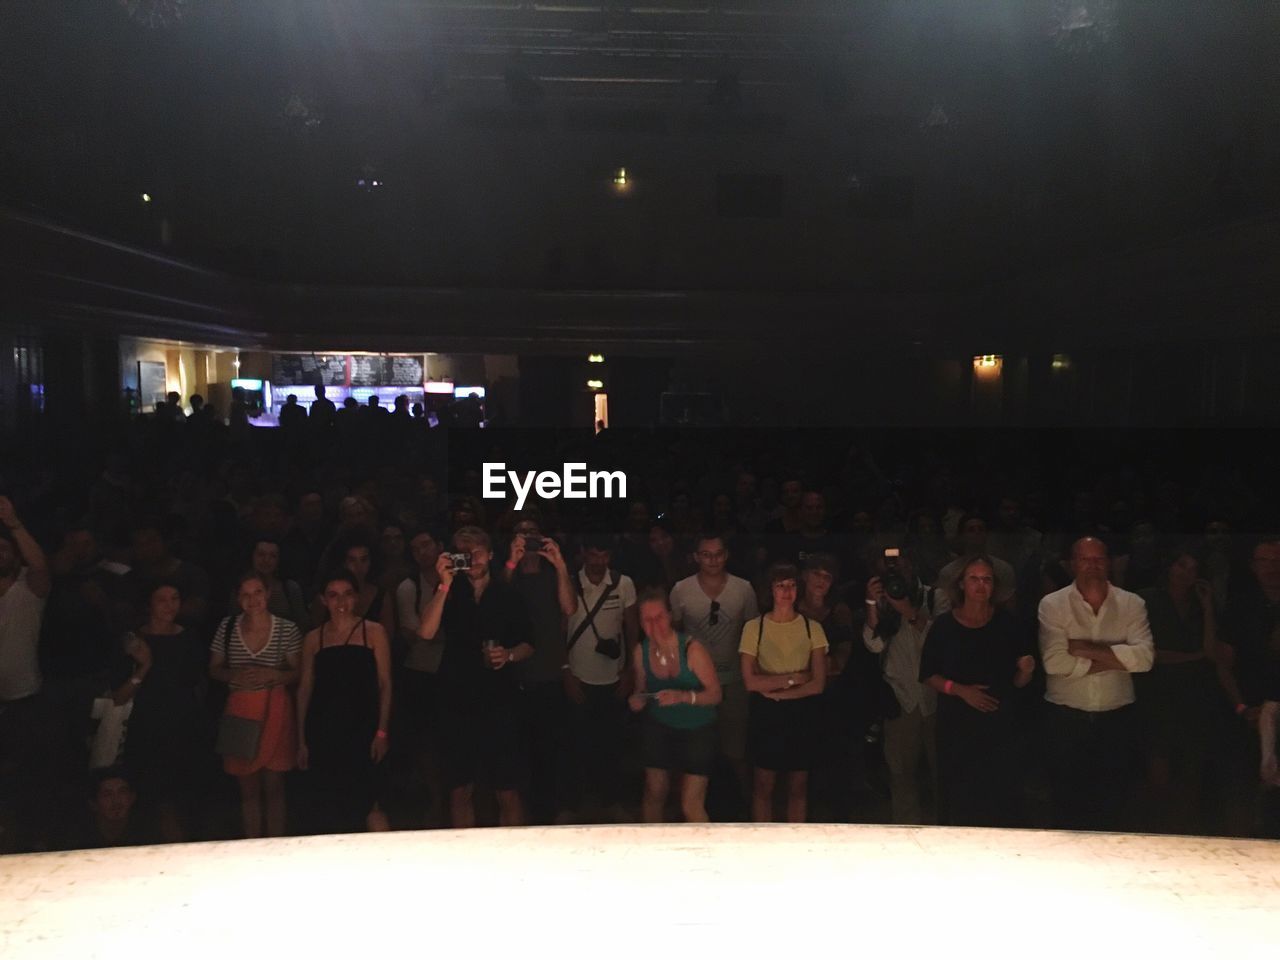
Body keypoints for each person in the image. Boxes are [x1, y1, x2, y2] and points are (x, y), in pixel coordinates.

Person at [418, 526, 534, 828]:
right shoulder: (450, 591)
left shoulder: (507, 593)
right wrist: (443, 584)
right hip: (457, 698)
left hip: (500, 699)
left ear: (491, 554)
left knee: (507, 789)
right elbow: (426, 631)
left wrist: (507, 655)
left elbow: (528, 644)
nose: (472, 558)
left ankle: (516, 854)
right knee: (460, 788)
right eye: (464, 553)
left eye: (478, 551)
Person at [1038, 537, 1155, 831]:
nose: (1092, 565)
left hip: (1117, 718)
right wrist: (1116, 656)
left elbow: (1144, 660)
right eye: (1085, 559)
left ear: (1109, 562)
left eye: (1098, 559)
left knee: (1114, 804)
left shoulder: (1132, 603)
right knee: (1066, 806)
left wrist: (1083, 648)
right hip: (1066, 717)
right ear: (1072, 564)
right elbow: (1054, 663)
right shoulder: (1053, 604)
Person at [920, 555, 1036, 827]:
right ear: (961, 583)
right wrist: (961, 691)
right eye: (974, 578)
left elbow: (1019, 683)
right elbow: (927, 675)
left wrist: (1026, 671)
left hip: (1001, 726)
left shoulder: (1009, 624)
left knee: (1002, 798)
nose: (980, 585)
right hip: (957, 727)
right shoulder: (944, 626)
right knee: (959, 798)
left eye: (987, 579)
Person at [112, 580, 212, 842]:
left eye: (175, 598)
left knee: (183, 797)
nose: (170, 605)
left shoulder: (189, 637)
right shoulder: (133, 640)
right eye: (162, 599)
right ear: (149, 604)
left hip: (184, 727)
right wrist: (144, 666)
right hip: (147, 728)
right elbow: (118, 697)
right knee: (151, 798)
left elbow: (197, 682)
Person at [296, 571, 393, 834]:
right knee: (329, 802)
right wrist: (302, 739)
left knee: (371, 801)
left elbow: (385, 684)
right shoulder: (314, 638)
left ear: (357, 597)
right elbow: (305, 688)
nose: (341, 601)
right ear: (323, 600)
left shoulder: (373, 631)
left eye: (348, 594)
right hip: (325, 730)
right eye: (333, 595)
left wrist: (382, 731)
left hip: (364, 728)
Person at [208, 572, 302, 838]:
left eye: (258, 592)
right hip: (240, 711)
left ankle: (275, 845)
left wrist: (274, 675)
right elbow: (214, 669)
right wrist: (233, 675)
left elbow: (297, 672)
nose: (253, 599)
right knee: (247, 788)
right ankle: (253, 845)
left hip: (276, 708)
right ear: (238, 598)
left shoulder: (286, 629)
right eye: (246, 594)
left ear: (268, 593)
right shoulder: (227, 627)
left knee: (274, 785)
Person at [669, 533, 759, 808]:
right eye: (706, 554)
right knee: (690, 750)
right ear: (696, 557)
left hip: (734, 679)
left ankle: (744, 806)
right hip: (694, 682)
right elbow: (673, 634)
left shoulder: (743, 589)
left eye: (718, 554)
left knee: (736, 749)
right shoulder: (681, 590)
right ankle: (684, 806)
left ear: (726, 555)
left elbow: (753, 632)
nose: (713, 560)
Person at [501, 516, 577, 824]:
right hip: (515, 672)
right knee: (519, 750)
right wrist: (511, 562)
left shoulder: (551, 573)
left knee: (550, 748)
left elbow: (570, 608)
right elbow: (498, 603)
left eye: (533, 533)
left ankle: (548, 812)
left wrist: (560, 565)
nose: (528, 539)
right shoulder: (509, 574)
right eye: (522, 534)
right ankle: (523, 815)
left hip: (548, 671)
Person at [739, 563, 828, 822]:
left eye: (791, 585)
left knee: (798, 786)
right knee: (763, 785)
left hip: (801, 713)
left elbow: (818, 683)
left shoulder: (813, 628)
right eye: (780, 585)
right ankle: (761, 840)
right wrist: (792, 679)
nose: (786, 591)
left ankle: (795, 841)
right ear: (771, 590)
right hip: (767, 714)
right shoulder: (755, 627)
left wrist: (779, 691)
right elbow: (750, 682)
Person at [561, 534, 639, 822]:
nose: (598, 562)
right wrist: (565, 671)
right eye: (593, 555)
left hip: (613, 678)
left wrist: (631, 670)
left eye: (603, 556)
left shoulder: (623, 583)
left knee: (612, 745)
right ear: (583, 553)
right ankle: (573, 804)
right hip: (578, 675)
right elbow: (559, 629)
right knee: (575, 744)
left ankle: (611, 801)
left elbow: (632, 629)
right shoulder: (569, 581)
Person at [627, 589, 722, 822]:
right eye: (647, 620)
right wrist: (637, 699)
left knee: (690, 803)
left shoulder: (692, 650)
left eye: (658, 617)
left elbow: (716, 695)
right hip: (660, 725)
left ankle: (706, 852)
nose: (654, 624)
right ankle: (653, 849)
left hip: (698, 727)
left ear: (669, 616)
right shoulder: (641, 651)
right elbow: (641, 689)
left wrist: (683, 696)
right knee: (654, 792)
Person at [862, 543, 939, 824]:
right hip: (901, 696)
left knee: (941, 769)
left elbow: (940, 640)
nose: (896, 570)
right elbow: (873, 645)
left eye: (901, 563)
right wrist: (873, 604)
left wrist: (907, 609)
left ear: (912, 564)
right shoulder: (882, 602)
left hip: (938, 697)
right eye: (889, 565)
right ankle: (907, 828)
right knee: (900, 772)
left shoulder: (933, 596)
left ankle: (948, 826)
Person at [0, 496, 52, 849]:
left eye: (4, 549)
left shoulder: (28, 589)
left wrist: (14, 524)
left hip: (25, 701)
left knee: (25, 783)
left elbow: (40, 566)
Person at [390, 528, 447, 827]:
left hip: (453, 674)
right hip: (421, 674)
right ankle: (436, 801)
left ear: (439, 546)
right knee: (426, 743)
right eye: (416, 549)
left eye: (427, 545)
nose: (422, 552)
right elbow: (415, 635)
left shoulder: (459, 581)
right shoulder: (408, 587)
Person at [932, 516, 1017, 614]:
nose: (977, 533)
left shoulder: (1004, 570)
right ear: (961, 536)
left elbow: (1010, 609)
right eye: (971, 530)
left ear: (986, 534)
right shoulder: (947, 573)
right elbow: (943, 609)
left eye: (980, 529)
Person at [246, 539, 309, 629]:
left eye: (273, 556)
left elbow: (303, 624)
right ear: (252, 556)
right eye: (261, 554)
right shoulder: (240, 588)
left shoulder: (290, 588)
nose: (266, 560)